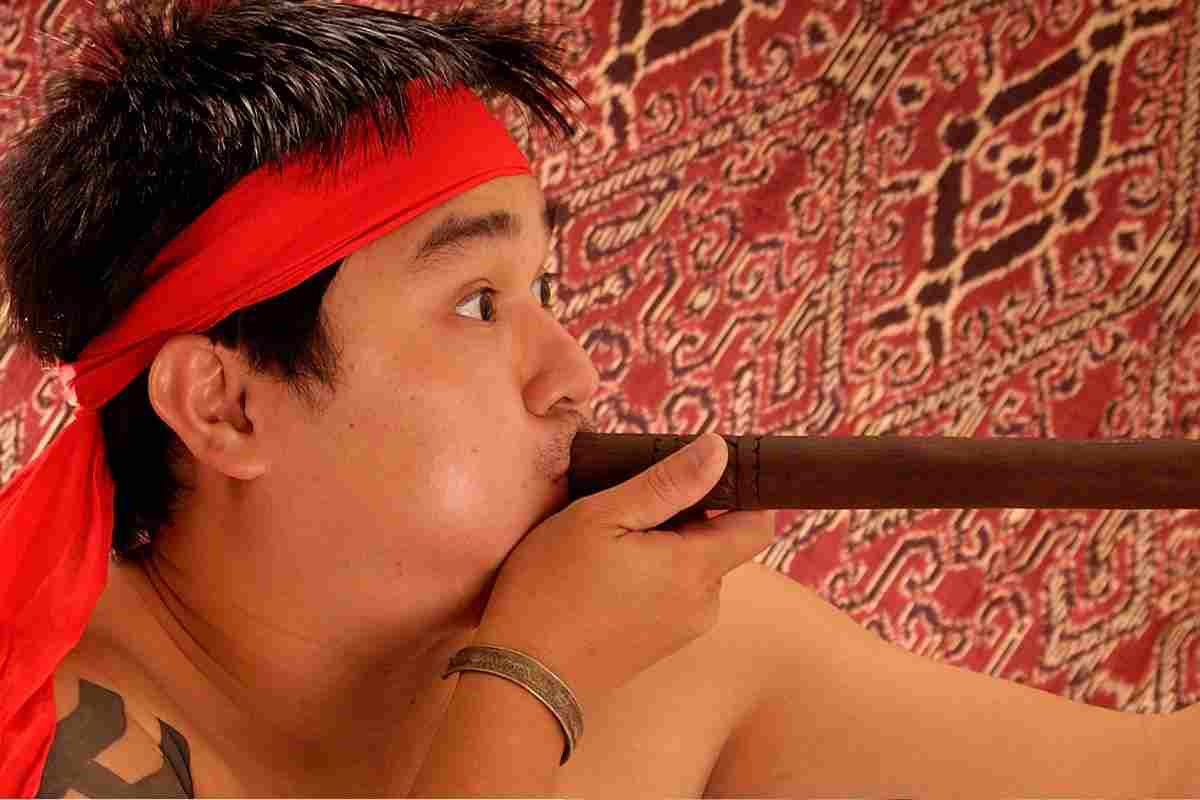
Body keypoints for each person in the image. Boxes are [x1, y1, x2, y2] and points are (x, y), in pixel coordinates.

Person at [0, 1, 1187, 797]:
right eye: (477, 302)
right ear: (226, 405)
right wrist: (531, 676)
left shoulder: (661, 657)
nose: (572, 371)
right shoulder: (58, 744)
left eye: (544, 290)